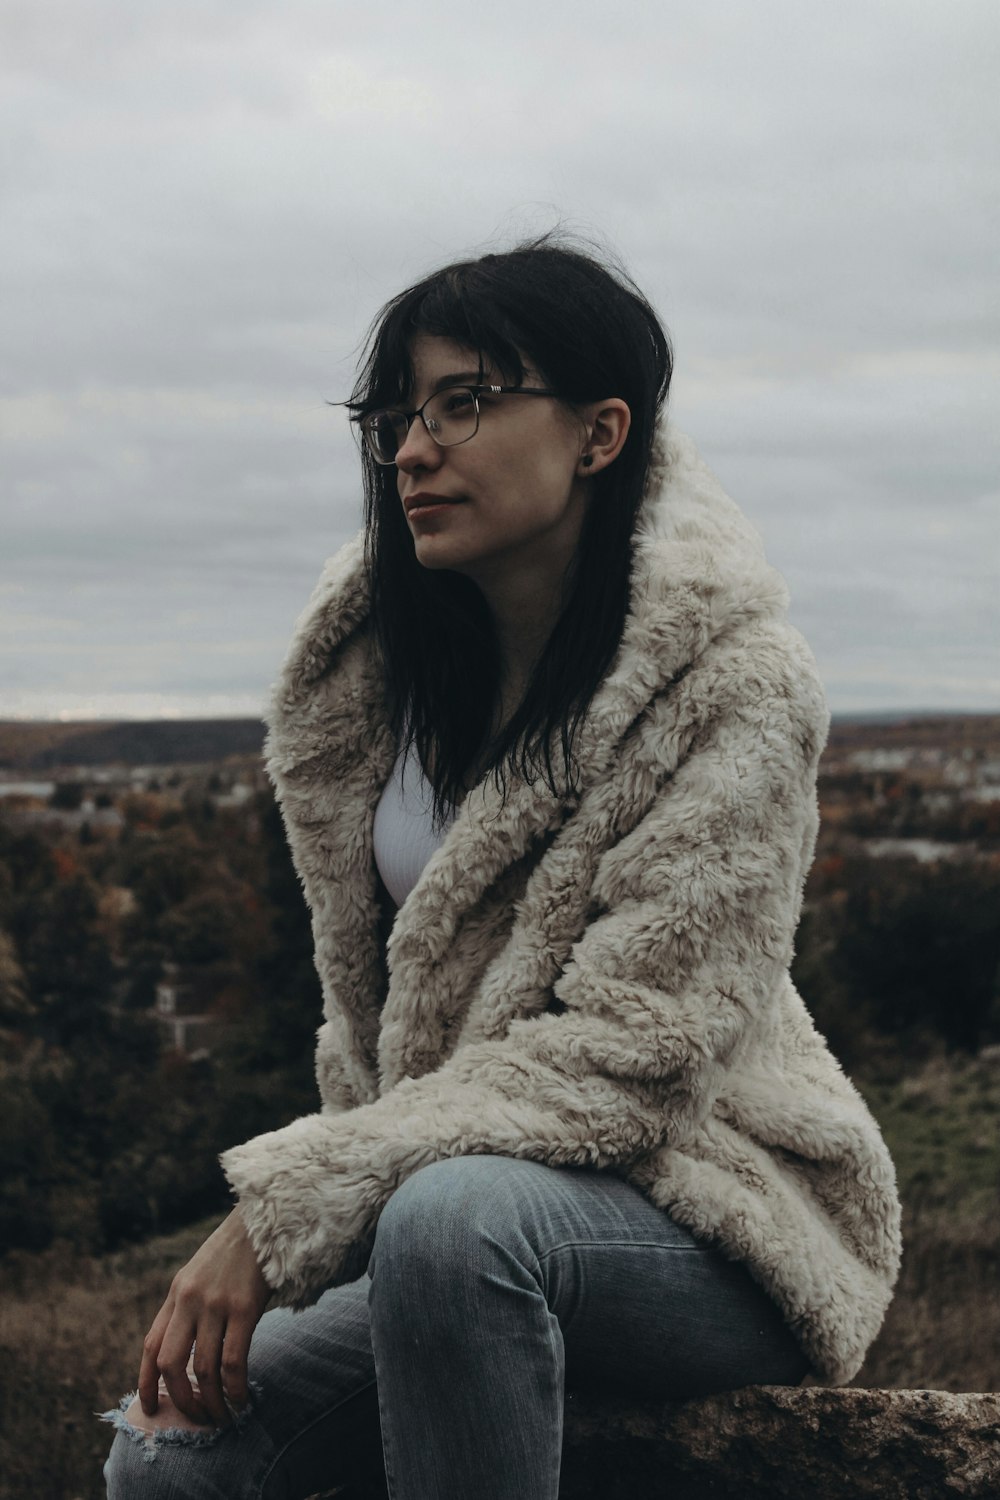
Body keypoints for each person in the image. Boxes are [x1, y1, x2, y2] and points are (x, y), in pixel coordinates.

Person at [103, 236, 902, 1499]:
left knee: (455, 1223)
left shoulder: (735, 683)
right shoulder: (389, 682)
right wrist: (342, 1188)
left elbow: (639, 1048)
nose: (415, 448)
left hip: (715, 1216)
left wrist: (288, 1203)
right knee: (169, 1445)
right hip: (456, 1216)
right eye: (397, 415)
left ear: (598, 433)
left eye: (465, 402)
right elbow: (387, 1025)